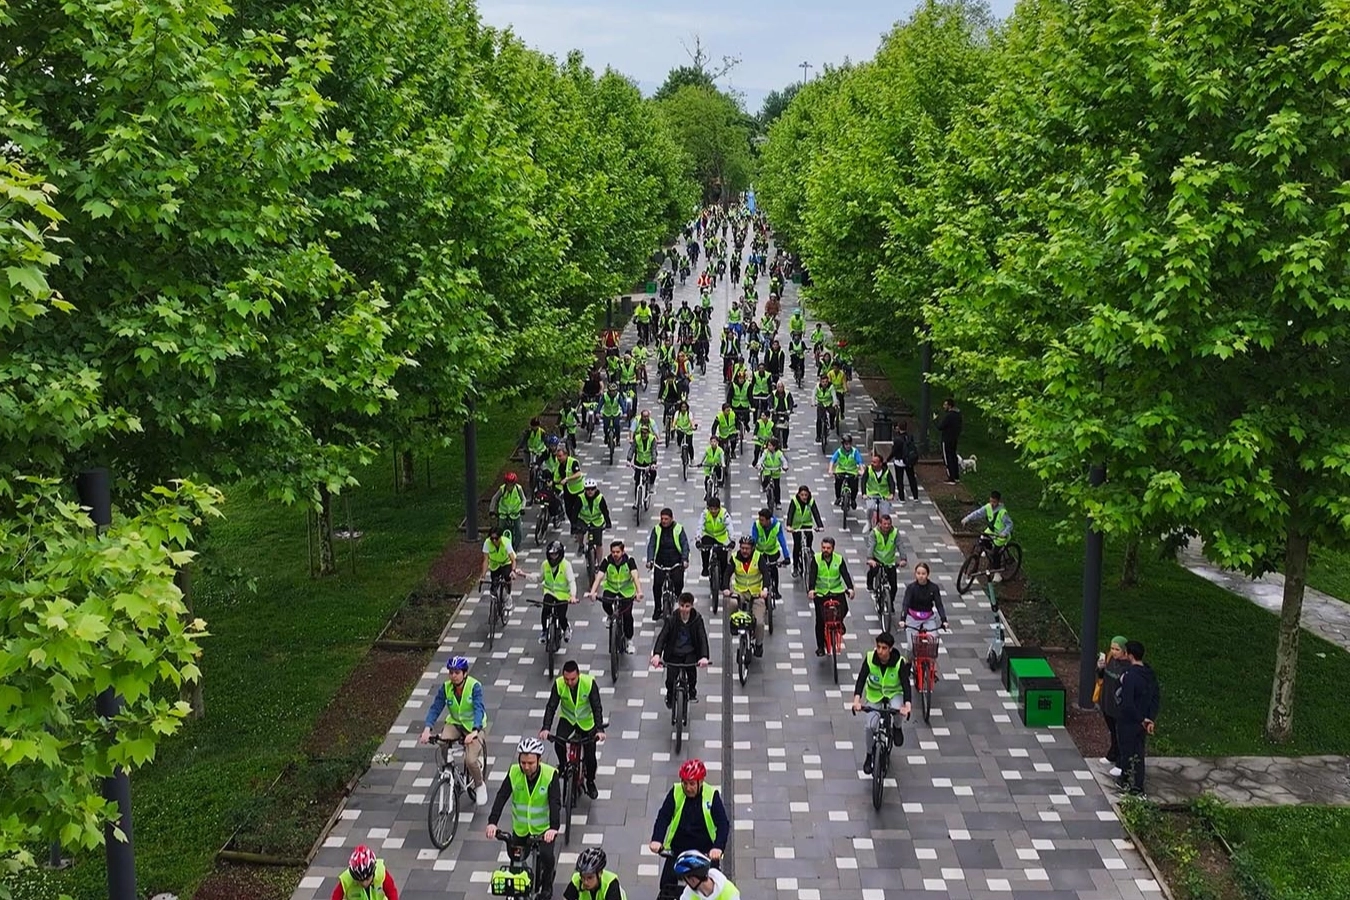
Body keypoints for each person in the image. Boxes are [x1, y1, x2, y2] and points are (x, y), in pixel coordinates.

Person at [487, 738, 561, 895]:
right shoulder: (514, 772)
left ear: (539, 760)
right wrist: (492, 822)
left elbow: (555, 803)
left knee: (547, 857)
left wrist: (553, 828)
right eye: (523, 762)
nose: (526, 767)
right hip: (521, 829)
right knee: (515, 864)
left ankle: (547, 884)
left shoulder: (550, 775)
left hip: (543, 830)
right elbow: (501, 796)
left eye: (531, 763)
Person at [648, 760, 730, 898]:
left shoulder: (711, 796)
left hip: (704, 854)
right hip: (678, 851)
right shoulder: (676, 792)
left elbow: (723, 824)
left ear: (701, 782)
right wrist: (657, 839)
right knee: (666, 887)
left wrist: (718, 847)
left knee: (711, 890)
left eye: (692, 784)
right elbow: (663, 817)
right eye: (684, 783)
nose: (687, 788)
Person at [419, 655, 489, 806]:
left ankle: (479, 784)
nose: (453, 676)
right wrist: (427, 728)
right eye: (451, 672)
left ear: (465, 673)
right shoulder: (446, 688)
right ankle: (449, 769)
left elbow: (479, 708)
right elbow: (436, 708)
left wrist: (475, 731)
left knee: (470, 760)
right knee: (442, 741)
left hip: (474, 726)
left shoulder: (474, 686)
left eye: (457, 672)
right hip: (455, 723)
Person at [540, 660, 606, 799]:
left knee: (590, 757)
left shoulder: (589, 683)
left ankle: (590, 781)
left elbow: (597, 707)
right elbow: (551, 707)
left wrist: (599, 729)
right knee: (559, 743)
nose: (569, 682)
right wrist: (546, 728)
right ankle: (563, 765)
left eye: (573, 679)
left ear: (578, 675)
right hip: (568, 719)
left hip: (586, 721)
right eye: (566, 679)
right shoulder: (559, 684)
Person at [850, 632, 912, 774]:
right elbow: (861, 679)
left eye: (884, 648)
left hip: (894, 693)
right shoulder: (870, 658)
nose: (880, 651)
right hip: (875, 695)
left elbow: (905, 684)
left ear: (890, 649)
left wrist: (907, 705)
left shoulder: (899, 663)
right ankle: (869, 755)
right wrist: (856, 700)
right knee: (870, 726)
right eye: (878, 647)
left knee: (897, 709)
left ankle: (897, 727)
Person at [1115, 640, 1160, 796]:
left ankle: (1126, 781)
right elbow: (1155, 697)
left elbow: (1127, 703)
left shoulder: (1130, 676)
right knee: (1139, 752)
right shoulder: (1149, 673)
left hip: (1129, 721)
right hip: (1144, 721)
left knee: (1127, 752)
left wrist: (1140, 719)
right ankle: (1138, 785)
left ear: (1130, 655)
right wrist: (1149, 718)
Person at [650, 593, 710, 705]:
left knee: (692, 675)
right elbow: (663, 636)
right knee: (670, 679)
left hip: (690, 653)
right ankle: (670, 695)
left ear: (692, 606)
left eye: (687, 606)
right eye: (682, 606)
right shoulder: (672, 619)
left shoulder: (697, 619)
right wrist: (657, 654)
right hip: (674, 653)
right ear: (678, 605)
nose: (684, 609)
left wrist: (704, 657)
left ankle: (692, 691)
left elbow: (702, 637)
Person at [588, 540, 643, 653]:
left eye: (617, 552)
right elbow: (599, 577)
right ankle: (610, 615)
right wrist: (592, 592)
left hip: (626, 590)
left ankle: (629, 640)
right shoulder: (607, 561)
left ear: (623, 552)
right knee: (605, 603)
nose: (615, 554)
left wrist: (639, 592)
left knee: (627, 615)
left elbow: (635, 577)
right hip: (611, 588)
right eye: (613, 552)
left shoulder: (630, 561)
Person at [808, 537, 855, 657]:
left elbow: (845, 574)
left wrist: (850, 588)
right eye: (823, 547)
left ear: (833, 548)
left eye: (828, 548)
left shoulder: (839, 559)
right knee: (820, 620)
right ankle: (820, 647)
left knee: (844, 609)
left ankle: (839, 622)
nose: (825, 550)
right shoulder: (816, 559)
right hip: (821, 593)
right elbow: (812, 575)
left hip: (836, 590)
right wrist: (811, 589)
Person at [725, 535, 769, 658]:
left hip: (756, 593)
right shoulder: (735, 557)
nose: (744, 551)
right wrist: (726, 588)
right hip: (741, 591)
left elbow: (765, 574)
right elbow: (727, 574)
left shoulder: (758, 557)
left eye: (747, 548)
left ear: (752, 548)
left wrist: (765, 589)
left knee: (759, 622)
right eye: (742, 548)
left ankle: (759, 644)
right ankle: (734, 624)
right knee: (732, 603)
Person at [646, 508, 691, 620]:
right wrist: (650, 560)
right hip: (660, 562)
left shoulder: (678, 529)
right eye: (662, 519)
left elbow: (685, 544)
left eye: (666, 519)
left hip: (675, 562)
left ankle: (677, 600)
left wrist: (684, 559)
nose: (664, 521)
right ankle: (657, 608)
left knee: (678, 582)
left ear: (671, 518)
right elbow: (651, 545)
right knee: (657, 586)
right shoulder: (656, 529)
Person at [1097, 635, 1130, 776]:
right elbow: (1101, 677)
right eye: (1112, 648)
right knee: (1112, 730)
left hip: (1118, 706)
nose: (1114, 652)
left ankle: (1121, 762)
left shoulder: (1128, 666)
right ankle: (1113, 754)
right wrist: (1100, 668)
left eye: (1117, 649)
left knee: (1120, 734)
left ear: (1124, 651)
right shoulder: (1109, 659)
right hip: (1107, 702)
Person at [961, 491, 1013, 579]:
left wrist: (1004, 533)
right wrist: (967, 519)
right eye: (991, 501)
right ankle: (988, 550)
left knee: (996, 554)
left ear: (998, 501)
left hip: (1000, 535)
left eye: (994, 502)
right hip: (991, 531)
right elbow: (978, 513)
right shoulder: (988, 507)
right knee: (982, 540)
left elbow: (1010, 524)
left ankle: (997, 573)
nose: (992, 504)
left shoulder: (1002, 512)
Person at [539, 540, 578, 644]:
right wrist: (525, 575)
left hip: (563, 595)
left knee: (561, 616)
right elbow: (539, 578)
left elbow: (572, 581)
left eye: (555, 554)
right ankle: (544, 631)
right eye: (551, 554)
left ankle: (566, 628)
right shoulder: (545, 564)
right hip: (549, 592)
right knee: (545, 610)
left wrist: (573, 596)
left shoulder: (566, 565)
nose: (553, 557)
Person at [865, 514, 909, 606]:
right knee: (873, 571)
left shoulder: (895, 532)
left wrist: (903, 559)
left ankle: (890, 603)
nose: (887, 526)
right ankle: (870, 585)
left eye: (889, 524)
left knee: (894, 586)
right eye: (884, 524)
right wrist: (870, 559)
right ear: (880, 524)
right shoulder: (874, 533)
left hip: (889, 561)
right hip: (877, 559)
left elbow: (900, 545)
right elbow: (871, 546)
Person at [332, 845, 399, 900]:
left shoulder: (381, 873)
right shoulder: (346, 880)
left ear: (373, 871)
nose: (364, 883)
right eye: (360, 880)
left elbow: (392, 892)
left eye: (367, 879)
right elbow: (336, 897)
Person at [900, 562, 948, 631]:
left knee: (933, 636)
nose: (921, 576)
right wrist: (902, 619)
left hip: (928, 618)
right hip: (912, 617)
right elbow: (906, 604)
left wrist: (944, 620)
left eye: (923, 574)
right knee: (911, 636)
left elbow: (939, 605)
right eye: (918, 573)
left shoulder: (934, 588)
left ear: (927, 574)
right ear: (915, 574)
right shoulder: (911, 588)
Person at [481, 527, 521, 608]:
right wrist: (483, 576)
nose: (494, 541)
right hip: (495, 564)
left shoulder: (506, 542)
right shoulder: (487, 543)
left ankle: (508, 595)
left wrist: (513, 571)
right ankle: (494, 601)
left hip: (506, 562)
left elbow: (513, 560)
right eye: (492, 538)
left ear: (500, 537)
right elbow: (485, 560)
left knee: (507, 577)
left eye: (496, 538)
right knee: (494, 583)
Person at [696, 496, 735, 580]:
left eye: (715, 509)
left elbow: (730, 527)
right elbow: (700, 526)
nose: (713, 511)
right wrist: (698, 540)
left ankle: (723, 578)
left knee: (723, 558)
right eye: (711, 509)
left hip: (721, 537)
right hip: (709, 535)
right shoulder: (705, 514)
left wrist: (732, 540)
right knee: (705, 549)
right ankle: (705, 568)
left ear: (719, 508)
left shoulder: (724, 514)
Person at [673, 850, 739, 900]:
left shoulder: (728, 891)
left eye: (685, 879)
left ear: (693, 879)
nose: (685, 884)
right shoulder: (688, 893)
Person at [785, 485, 824, 569]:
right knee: (797, 546)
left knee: (810, 537)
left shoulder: (811, 501)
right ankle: (795, 567)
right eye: (802, 495)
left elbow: (816, 513)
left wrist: (820, 525)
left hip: (807, 523)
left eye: (806, 495)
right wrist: (789, 526)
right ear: (799, 494)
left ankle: (809, 550)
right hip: (796, 525)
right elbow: (790, 513)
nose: (804, 497)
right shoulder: (794, 501)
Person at [489, 472, 528, 550]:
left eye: (511, 485)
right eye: (508, 485)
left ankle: (516, 547)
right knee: (500, 529)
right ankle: (499, 546)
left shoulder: (518, 488)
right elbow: (494, 499)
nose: (509, 487)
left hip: (515, 513)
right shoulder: (502, 489)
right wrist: (492, 510)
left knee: (518, 531)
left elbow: (523, 499)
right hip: (503, 513)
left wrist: (522, 508)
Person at [575, 478, 613, 557]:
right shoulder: (580, 498)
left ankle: (599, 563)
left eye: (592, 489)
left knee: (598, 543)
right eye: (587, 489)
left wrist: (608, 523)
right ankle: (581, 545)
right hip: (584, 520)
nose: (590, 491)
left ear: (595, 489)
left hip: (597, 521)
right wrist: (573, 524)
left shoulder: (600, 498)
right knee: (579, 531)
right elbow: (575, 512)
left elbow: (605, 511)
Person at [627, 417, 659, 507]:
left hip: (649, 461)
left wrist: (653, 463)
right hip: (639, 461)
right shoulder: (637, 438)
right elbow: (632, 449)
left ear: (648, 433)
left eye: (645, 433)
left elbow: (653, 451)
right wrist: (629, 460)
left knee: (653, 472)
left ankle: (651, 485)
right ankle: (636, 501)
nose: (644, 435)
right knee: (637, 481)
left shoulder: (652, 439)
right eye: (642, 433)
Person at [860, 452, 896, 531]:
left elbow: (891, 483)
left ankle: (886, 529)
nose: (872, 464)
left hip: (884, 495)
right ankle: (868, 523)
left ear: (880, 463)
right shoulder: (869, 469)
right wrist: (864, 494)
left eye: (875, 462)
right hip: (871, 494)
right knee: (870, 508)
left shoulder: (886, 472)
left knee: (885, 514)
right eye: (872, 462)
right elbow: (863, 481)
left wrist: (891, 494)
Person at [887, 420, 920, 501]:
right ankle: (915, 496)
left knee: (900, 480)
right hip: (909, 461)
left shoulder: (897, 439)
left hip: (899, 461)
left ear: (898, 427)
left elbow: (894, 452)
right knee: (912, 478)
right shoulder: (910, 437)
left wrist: (887, 460)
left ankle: (902, 498)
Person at [828, 435, 864, 506]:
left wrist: (862, 470)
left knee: (854, 487)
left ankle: (853, 499)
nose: (848, 446)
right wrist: (830, 470)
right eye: (846, 444)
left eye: (849, 444)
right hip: (841, 470)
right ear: (843, 444)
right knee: (838, 484)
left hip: (852, 471)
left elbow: (860, 462)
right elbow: (832, 460)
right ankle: (838, 498)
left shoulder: (855, 451)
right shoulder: (839, 451)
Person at [937, 397, 963, 484]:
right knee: (953, 456)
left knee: (948, 458)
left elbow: (940, 426)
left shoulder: (949, 416)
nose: (944, 406)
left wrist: (935, 420)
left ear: (949, 405)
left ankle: (951, 477)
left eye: (945, 405)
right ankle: (956, 476)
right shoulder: (958, 415)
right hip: (954, 438)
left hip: (947, 439)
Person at [756, 438, 787, 509]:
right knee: (766, 480)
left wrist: (785, 466)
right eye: (768, 445)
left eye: (770, 445)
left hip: (776, 472)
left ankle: (778, 502)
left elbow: (784, 461)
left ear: (774, 446)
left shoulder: (779, 453)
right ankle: (764, 486)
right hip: (767, 470)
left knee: (777, 487)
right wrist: (759, 465)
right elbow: (761, 459)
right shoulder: (765, 452)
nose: (768, 447)